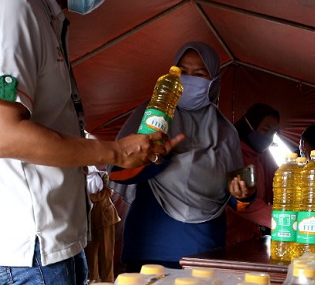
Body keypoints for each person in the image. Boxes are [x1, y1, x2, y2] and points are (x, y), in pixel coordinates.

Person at [0, 0, 183, 285]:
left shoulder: (42, 17)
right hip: (36, 242)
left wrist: (122, 154)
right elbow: (3, 134)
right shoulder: (9, 8)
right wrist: (113, 150)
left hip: (58, 235)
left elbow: (56, 129)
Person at [110, 41, 255, 271]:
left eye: (199, 74)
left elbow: (238, 198)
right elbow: (118, 174)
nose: (189, 80)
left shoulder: (226, 131)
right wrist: (156, 158)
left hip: (204, 248)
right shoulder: (152, 115)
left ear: (214, 82)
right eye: (183, 72)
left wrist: (244, 195)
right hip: (150, 245)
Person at [226, 103, 280, 246]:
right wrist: (282, 220)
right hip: (229, 239)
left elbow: (278, 183)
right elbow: (244, 204)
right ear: (249, 126)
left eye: (273, 133)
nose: (269, 138)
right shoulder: (235, 152)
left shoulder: (261, 155)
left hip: (251, 236)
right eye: (265, 130)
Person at [85, 165, 121, 282]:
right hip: (87, 214)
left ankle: (108, 280)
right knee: (90, 250)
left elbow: (110, 189)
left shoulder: (101, 172)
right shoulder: (76, 175)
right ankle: (92, 279)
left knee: (107, 250)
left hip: (105, 213)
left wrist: (94, 197)